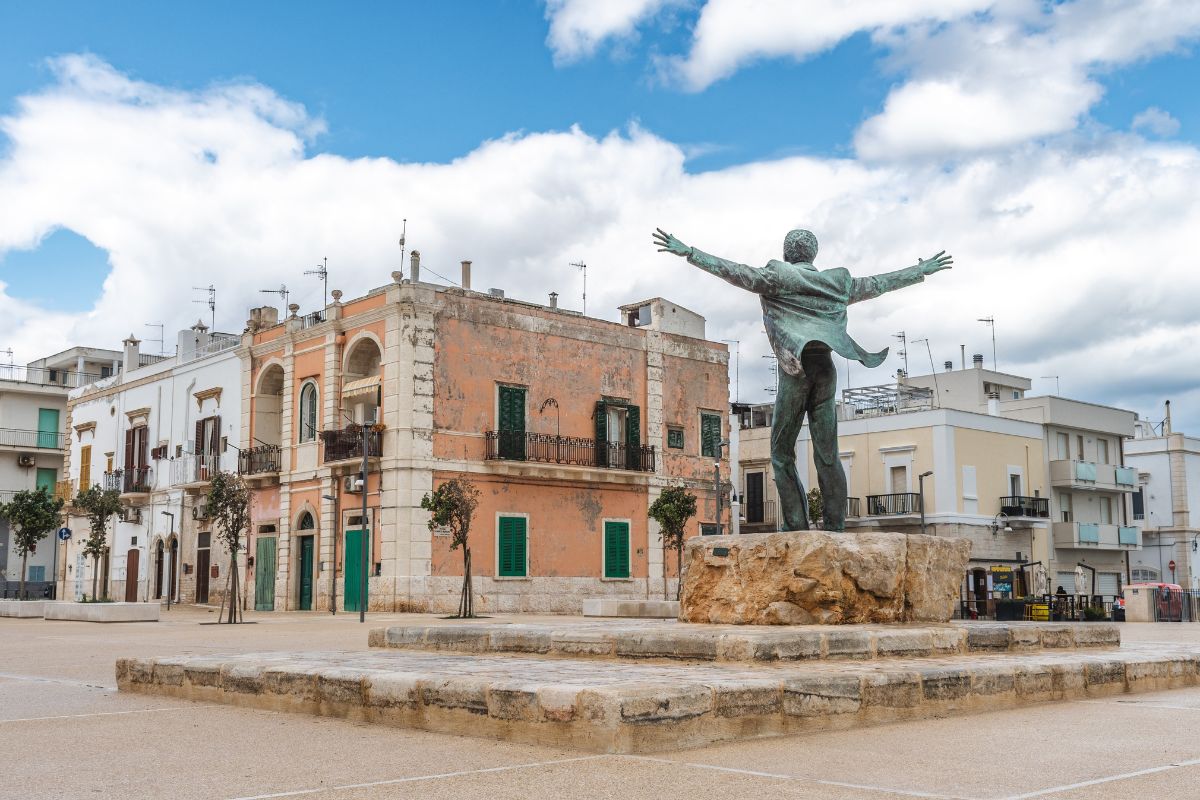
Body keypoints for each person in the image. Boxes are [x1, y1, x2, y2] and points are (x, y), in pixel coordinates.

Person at [653, 227, 952, 531]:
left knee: (781, 453)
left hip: (795, 370)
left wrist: (690, 252)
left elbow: (735, 272)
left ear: (787, 254)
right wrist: (920, 270)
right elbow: (878, 284)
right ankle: (835, 528)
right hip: (826, 369)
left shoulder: (777, 276)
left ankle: (797, 527)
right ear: (813, 255)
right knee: (828, 454)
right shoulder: (837, 283)